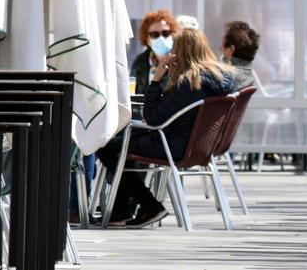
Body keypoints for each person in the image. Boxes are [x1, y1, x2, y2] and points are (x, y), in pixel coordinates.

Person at [97, 29, 234, 228]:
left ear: (179, 53)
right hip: (202, 147)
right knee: (123, 144)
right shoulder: (223, 81)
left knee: (108, 148)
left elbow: (152, 118)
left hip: (173, 146)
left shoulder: (187, 83)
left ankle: (149, 205)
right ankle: (120, 211)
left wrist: (157, 78)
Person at [131, 9, 180, 94]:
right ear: (147, 39)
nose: (161, 38)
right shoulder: (140, 62)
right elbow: (135, 94)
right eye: (155, 35)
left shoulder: (181, 60)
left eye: (166, 33)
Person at [219, 20, 260, 92]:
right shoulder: (247, 74)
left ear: (231, 49)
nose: (220, 48)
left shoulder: (226, 80)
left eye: (223, 45)